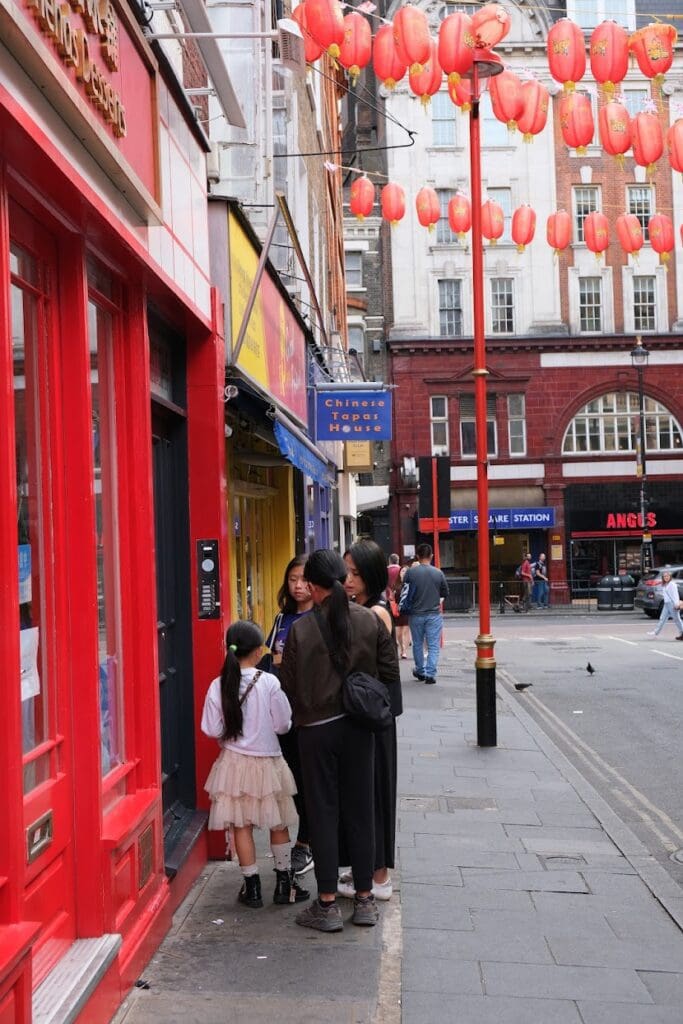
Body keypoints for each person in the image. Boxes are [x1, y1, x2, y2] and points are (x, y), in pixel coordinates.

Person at [280, 549, 400, 933]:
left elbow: (290, 686)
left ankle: (327, 903)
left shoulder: (300, 629)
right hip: (359, 729)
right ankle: (364, 900)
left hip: (316, 731)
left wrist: (308, 712)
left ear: (314, 587)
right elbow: (390, 672)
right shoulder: (368, 621)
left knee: (323, 814)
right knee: (361, 811)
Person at [201, 620, 310, 910]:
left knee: (241, 825)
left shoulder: (219, 684)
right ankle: (285, 884)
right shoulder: (269, 682)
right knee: (278, 822)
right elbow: (283, 724)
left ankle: (252, 888)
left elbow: (211, 728)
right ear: (260, 649)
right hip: (268, 762)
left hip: (233, 764)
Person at [340, 541, 402, 903]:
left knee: (376, 793)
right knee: (364, 794)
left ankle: (379, 876)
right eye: (346, 571)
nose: (348, 579)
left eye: (356, 574)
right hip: (365, 714)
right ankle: (368, 868)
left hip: (373, 717)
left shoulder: (375, 613)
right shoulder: (360, 607)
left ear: (373, 576)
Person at [263, 555, 315, 877]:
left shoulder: (321, 618)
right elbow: (271, 660)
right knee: (291, 778)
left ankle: (305, 843)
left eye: (304, 580)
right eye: (293, 579)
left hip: (310, 711)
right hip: (282, 712)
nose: (298, 586)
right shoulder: (283, 619)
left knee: (308, 780)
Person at [403, 543, 449, 686]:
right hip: (433, 614)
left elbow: (405, 590)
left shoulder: (411, 572)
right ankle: (430, 673)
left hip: (415, 614)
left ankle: (420, 670)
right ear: (431, 556)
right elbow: (445, 593)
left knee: (417, 643)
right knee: (433, 645)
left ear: (417, 556)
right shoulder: (438, 573)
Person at [647, 570, 683, 639]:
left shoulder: (672, 585)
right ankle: (655, 632)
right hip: (666, 604)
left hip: (672, 604)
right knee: (662, 619)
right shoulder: (664, 584)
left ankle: (682, 633)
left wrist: (676, 604)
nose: (666, 577)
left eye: (667, 576)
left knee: (677, 619)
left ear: (670, 577)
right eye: (664, 576)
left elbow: (675, 595)